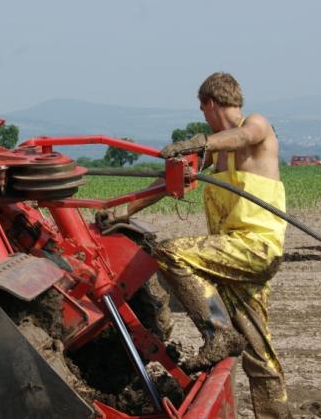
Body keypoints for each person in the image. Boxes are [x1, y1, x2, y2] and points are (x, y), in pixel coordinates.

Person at [98, 72, 290, 418]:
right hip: (230, 253)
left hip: (254, 247)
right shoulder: (216, 150)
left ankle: (218, 333)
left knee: (170, 252)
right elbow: (165, 184)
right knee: (261, 355)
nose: (203, 117)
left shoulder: (255, 125)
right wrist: (121, 211)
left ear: (210, 103)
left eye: (203, 111)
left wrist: (200, 142)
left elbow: (244, 135)